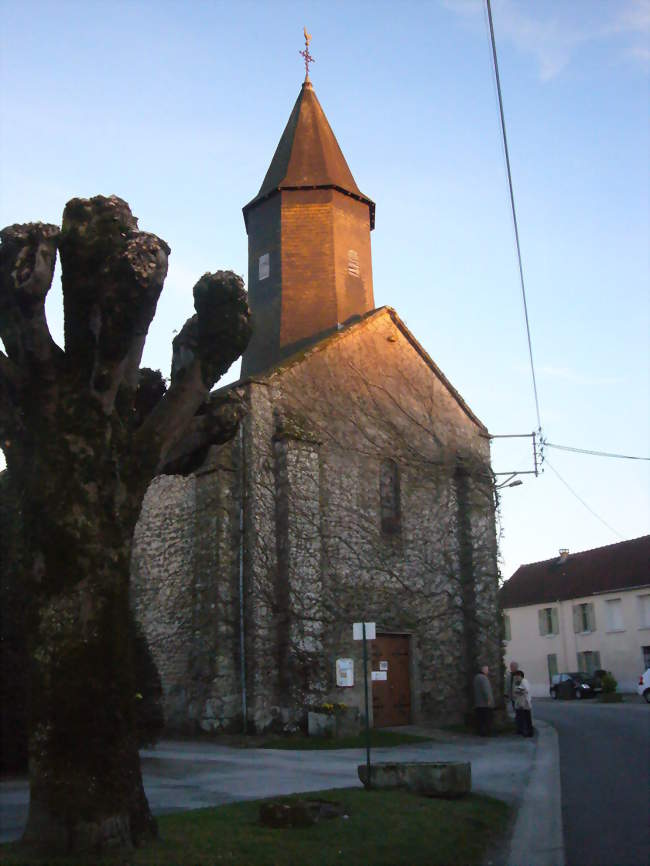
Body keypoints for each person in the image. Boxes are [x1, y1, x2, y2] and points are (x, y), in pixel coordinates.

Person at [473, 665, 494, 736]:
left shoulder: (476, 677)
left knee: (480, 719)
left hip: (478, 703)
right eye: (487, 670)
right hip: (485, 703)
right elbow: (486, 689)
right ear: (484, 670)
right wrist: (489, 699)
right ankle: (487, 733)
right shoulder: (484, 678)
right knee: (487, 719)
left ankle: (480, 732)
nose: (488, 671)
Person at [513, 670, 534, 737]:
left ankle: (529, 732)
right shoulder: (519, 682)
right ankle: (525, 731)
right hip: (522, 703)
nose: (515, 678)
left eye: (516, 676)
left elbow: (526, 690)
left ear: (520, 676)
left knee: (527, 718)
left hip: (525, 702)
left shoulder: (524, 681)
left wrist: (518, 690)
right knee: (523, 718)